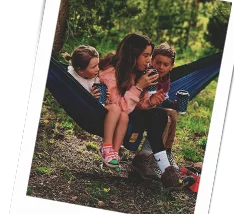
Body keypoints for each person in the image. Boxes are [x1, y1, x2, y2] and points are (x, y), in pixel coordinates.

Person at [99, 33, 185, 191]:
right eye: (145, 56)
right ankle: (165, 170)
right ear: (133, 54)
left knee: (160, 114)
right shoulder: (111, 72)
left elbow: (139, 104)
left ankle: (164, 170)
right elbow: (120, 108)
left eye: (149, 56)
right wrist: (138, 86)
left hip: (130, 113)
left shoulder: (136, 71)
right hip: (115, 116)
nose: (148, 61)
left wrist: (150, 102)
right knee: (158, 116)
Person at [63, 45, 129, 171]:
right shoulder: (72, 78)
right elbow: (77, 100)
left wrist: (106, 97)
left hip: (98, 108)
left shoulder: (93, 76)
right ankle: (106, 146)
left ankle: (113, 153)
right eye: (93, 67)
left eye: (98, 65)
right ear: (80, 70)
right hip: (88, 111)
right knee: (115, 109)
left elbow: (101, 101)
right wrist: (89, 97)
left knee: (124, 116)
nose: (97, 69)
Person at [138, 43, 179, 170]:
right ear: (152, 61)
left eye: (166, 65)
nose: (161, 67)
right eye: (158, 62)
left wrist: (173, 104)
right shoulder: (147, 74)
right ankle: (145, 156)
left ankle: (166, 151)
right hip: (141, 109)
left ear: (171, 67)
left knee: (172, 113)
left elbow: (163, 98)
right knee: (165, 117)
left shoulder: (165, 79)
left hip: (154, 108)